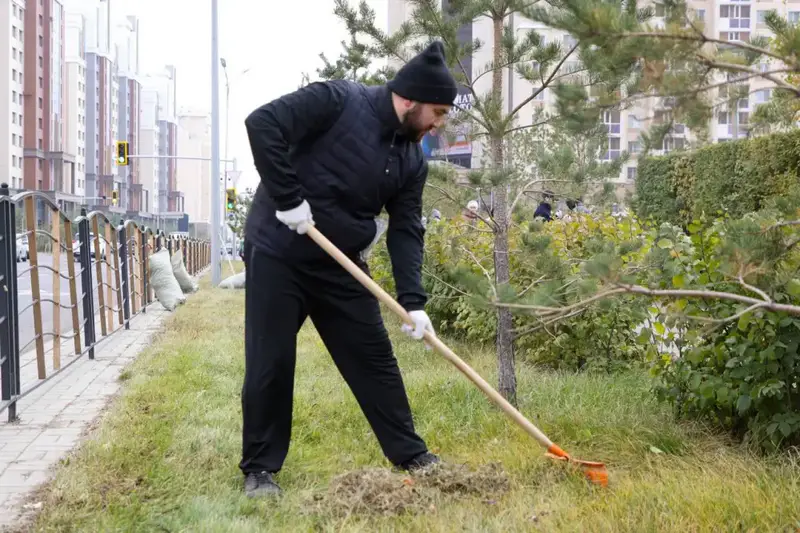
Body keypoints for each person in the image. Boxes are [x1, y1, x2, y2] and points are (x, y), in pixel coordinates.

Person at [240, 41, 458, 498]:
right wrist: (288, 199)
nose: (439, 123)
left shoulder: (411, 159)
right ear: (410, 100)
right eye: (437, 112)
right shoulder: (337, 100)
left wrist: (413, 302)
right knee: (271, 360)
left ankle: (411, 454)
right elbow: (263, 123)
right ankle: (260, 470)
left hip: (340, 264)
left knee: (374, 358)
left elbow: (406, 229)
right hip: (279, 250)